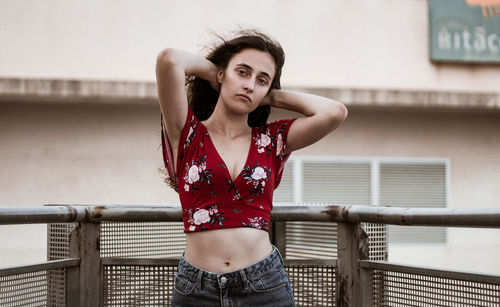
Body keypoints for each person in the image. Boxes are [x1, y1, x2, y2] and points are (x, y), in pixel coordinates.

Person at [156, 29, 347, 307]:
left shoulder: (271, 141)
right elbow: (169, 59)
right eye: (242, 72)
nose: (249, 85)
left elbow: (335, 112)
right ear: (222, 74)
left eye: (261, 80)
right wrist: (218, 75)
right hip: (197, 288)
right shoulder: (187, 135)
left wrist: (271, 96)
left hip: (263, 285)